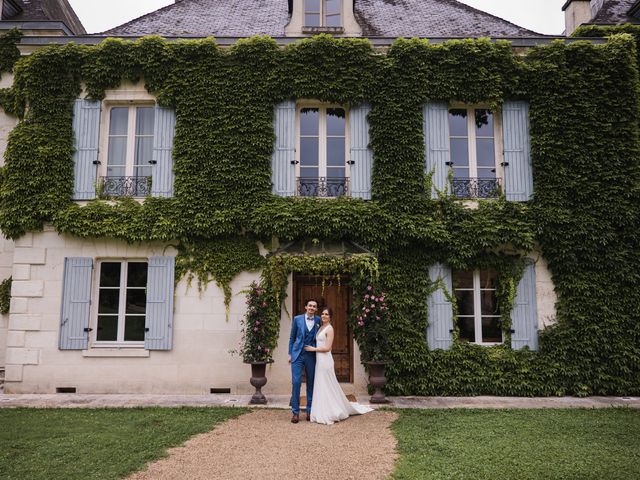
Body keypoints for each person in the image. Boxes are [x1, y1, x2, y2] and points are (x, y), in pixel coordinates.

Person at [304, 307, 373, 425]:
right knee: (321, 385)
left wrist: (313, 349)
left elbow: (327, 348)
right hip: (319, 361)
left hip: (325, 361)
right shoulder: (320, 327)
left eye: (326, 314)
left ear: (330, 317)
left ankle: (331, 411)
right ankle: (320, 410)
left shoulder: (330, 329)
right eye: (323, 314)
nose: (324, 316)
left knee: (327, 384)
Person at [288, 298, 321, 423]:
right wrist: (290, 354)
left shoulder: (318, 320)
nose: (312, 308)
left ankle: (309, 411)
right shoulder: (297, 319)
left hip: (311, 355)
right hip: (297, 354)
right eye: (310, 306)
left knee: (311, 383)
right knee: (296, 382)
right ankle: (295, 413)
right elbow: (292, 337)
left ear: (316, 309)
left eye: (314, 306)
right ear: (306, 307)